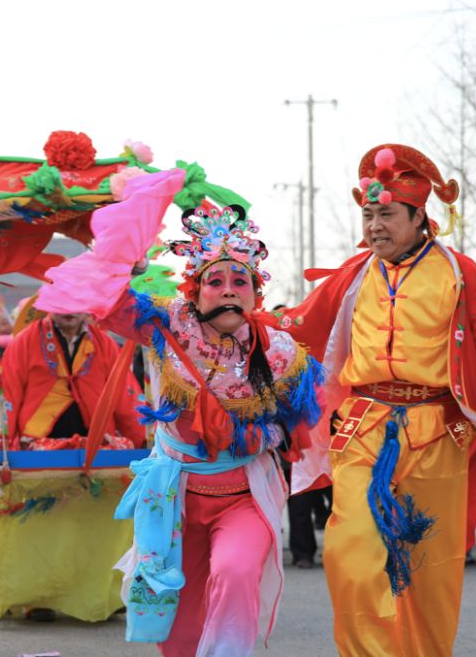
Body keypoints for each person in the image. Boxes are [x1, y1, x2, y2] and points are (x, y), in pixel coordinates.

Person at [36, 170, 323, 655]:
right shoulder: (164, 324)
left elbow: (299, 425)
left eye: (241, 280)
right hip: (175, 496)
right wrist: (122, 248)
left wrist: (264, 436)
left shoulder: (279, 351)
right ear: (195, 289)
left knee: (234, 574)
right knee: (176, 615)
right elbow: (104, 305)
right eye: (216, 280)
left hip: (242, 497)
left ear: (255, 291)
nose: (229, 288)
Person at [271, 144, 476, 656]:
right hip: (363, 425)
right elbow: (295, 326)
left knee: (430, 573)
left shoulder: (459, 272)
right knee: (351, 553)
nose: (374, 227)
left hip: (439, 430)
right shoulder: (353, 276)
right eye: (368, 215)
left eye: (386, 214)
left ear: (420, 216)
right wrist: (229, 313)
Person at [0, 310, 146, 449]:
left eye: (77, 302)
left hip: (97, 446)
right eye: (62, 302)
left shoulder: (105, 344)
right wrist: (1, 442)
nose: (70, 310)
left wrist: (143, 441)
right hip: (36, 445)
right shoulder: (24, 342)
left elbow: (125, 397)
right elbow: (8, 394)